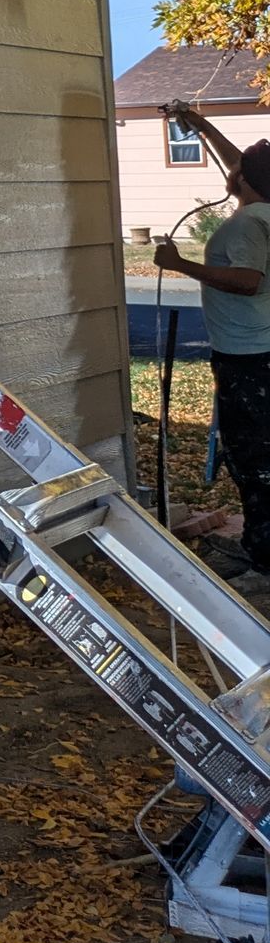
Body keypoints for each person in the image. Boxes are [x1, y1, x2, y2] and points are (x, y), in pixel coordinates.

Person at [154, 106, 270, 592]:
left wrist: (180, 264)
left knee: (256, 461)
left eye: (236, 167)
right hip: (258, 352)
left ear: (242, 179)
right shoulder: (263, 211)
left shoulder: (247, 225)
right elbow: (243, 165)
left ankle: (265, 566)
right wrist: (201, 126)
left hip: (250, 359)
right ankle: (259, 546)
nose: (231, 167)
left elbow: (247, 280)